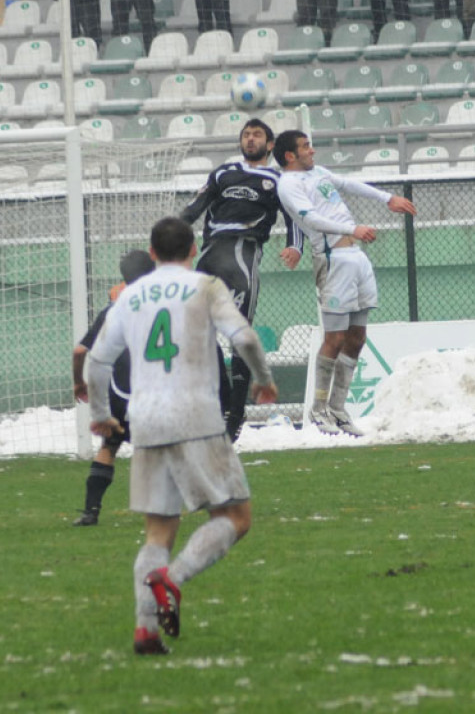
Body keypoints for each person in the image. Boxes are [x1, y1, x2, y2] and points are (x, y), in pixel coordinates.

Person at [86, 216, 278, 655]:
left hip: (146, 419)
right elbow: (245, 338)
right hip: (196, 415)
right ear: (193, 250)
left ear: (152, 253)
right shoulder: (206, 286)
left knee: (158, 532)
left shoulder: (130, 295)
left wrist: (100, 415)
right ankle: (172, 578)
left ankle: (145, 630)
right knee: (236, 517)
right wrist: (263, 379)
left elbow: (96, 361)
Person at [272, 130, 416, 437]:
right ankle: (318, 408)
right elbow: (311, 219)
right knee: (335, 338)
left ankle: (338, 409)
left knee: (357, 337)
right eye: (306, 147)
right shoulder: (288, 185)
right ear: (290, 156)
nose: (312, 151)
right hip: (332, 260)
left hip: (356, 257)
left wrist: (387, 198)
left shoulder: (318, 173)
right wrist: (352, 228)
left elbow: (348, 184)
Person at [179, 118, 302, 442]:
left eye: (257, 135)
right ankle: (222, 403)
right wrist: (170, 234)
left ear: (270, 144)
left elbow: (294, 217)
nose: (250, 139)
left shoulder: (277, 180)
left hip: (243, 255)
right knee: (198, 332)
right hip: (209, 255)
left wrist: (295, 246)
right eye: (246, 134)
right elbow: (194, 208)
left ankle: (235, 415)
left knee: (239, 334)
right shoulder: (223, 173)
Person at [71, 249, 156, 526]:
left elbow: (79, 351)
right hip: (157, 392)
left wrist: (78, 381)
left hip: (120, 392)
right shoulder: (167, 306)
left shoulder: (113, 310)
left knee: (109, 445)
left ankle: (90, 511)